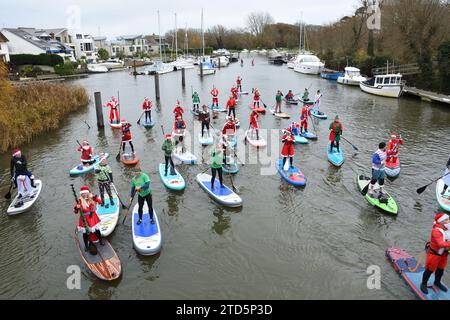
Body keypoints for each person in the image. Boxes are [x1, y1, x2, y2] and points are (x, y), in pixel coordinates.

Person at [420, 213, 450, 294]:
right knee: (430, 270)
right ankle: (423, 284)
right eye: (446, 220)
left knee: (441, 270)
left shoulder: (447, 228)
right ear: (441, 222)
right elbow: (441, 244)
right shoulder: (436, 231)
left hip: (444, 254)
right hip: (435, 255)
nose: (449, 221)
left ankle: (437, 282)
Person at [74, 186, 104, 251]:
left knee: (97, 230)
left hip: (93, 217)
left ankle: (100, 240)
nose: (84, 195)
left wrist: (95, 198)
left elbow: (101, 202)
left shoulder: (91, 198)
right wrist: (76, 207)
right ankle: (86, 245)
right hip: (84, 219)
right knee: (85, 233)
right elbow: (76, 212)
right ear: (81, 194)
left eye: (85, 193)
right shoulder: (79, 201)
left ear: (88, 193)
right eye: (82, 194)